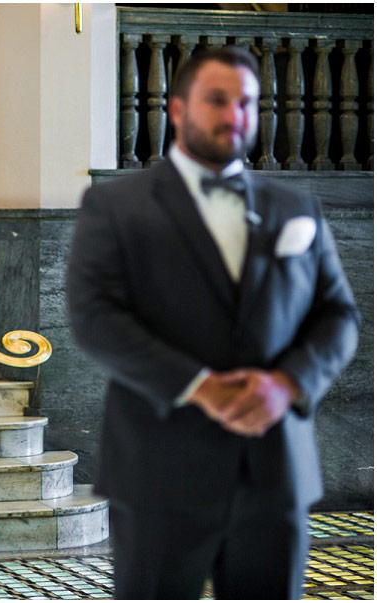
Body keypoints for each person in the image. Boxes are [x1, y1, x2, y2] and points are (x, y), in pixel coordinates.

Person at [66, 47, 359, 599]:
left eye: (247, 102)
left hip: (276, 468)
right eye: (217, 100)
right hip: (160, 468)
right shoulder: (114, 206)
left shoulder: (296, 207)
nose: (234, 115)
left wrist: (289, 383)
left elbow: (338, 315)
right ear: (178, 110)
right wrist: (199, 387)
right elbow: (94, 317)